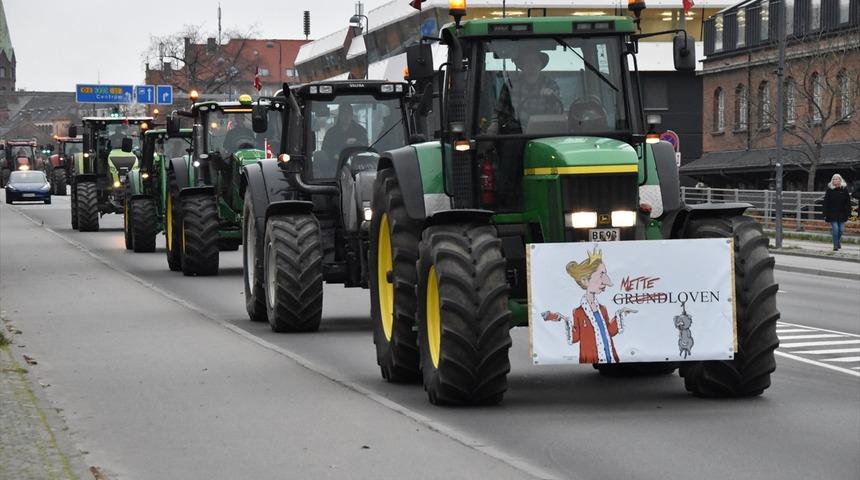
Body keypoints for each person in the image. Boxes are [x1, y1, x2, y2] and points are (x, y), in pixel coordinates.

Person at [542, 247, 636, 364]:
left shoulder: (602, 309)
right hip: (591, 354)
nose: (605, 280)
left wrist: (620, 314)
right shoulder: (579, 312)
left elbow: (609, 332)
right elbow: (575, 337)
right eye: (601, 275)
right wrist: (560, 319)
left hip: (609, 354)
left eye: (605, 274)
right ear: (585, 281)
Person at [823, 173, 851, 251]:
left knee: (841, 229)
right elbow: (826, 202)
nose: (835, 180)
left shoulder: (844, 189)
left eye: (836, 179)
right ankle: (835, 245)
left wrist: (849, 213)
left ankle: (838, 241)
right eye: (833, 179)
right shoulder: (829, 190)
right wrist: (824, 213)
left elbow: (848, 202)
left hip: (842, 213)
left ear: (840, 180)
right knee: (835, 229)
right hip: (832, 213)